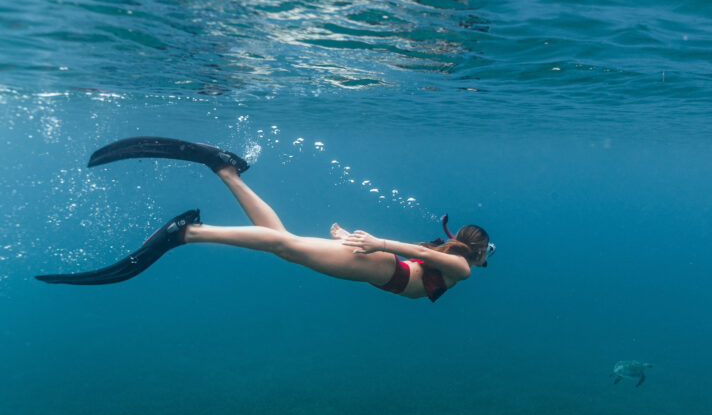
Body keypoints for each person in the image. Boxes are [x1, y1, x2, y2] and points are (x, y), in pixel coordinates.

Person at [36, 137, 494, 301]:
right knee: (284, 246)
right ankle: (188, 233)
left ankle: (224, 168)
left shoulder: (452, 257)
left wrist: (355, 239)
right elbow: (415, 253)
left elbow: (418, 254)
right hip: (384, 269)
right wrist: (375, 243)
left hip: (384, 269)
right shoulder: (464, 269)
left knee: (282, 242)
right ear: (476, 251)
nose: (486, 258)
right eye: (486, 252)